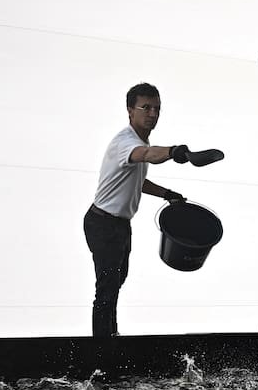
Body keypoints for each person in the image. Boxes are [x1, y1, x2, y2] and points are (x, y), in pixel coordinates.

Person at [84, 82, 223, 337]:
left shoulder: (139, 142)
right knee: (107, 287)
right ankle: (101, 351)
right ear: (130, 110)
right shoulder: (126, 143)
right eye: (145, 107)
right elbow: (147, 154)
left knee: (116, 282)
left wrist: (167, 194)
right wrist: (175, 152)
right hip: (102, 223)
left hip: (119, 225)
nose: (152, 114)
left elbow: (138, 180)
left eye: (157, 109)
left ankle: (110, 337)